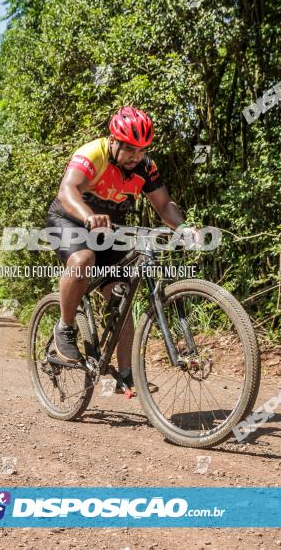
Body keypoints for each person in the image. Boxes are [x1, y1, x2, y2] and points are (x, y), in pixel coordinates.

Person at [45, 106, 201, 393]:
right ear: (113, 140)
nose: (136, 156)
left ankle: (125, 376)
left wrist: (182, 228)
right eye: (129, 149)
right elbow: (67, 191)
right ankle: (65, 327)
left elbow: (164, 204)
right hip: (68, 218)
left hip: (109, 228)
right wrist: (87, 215)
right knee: (83, 260)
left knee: (121, 295)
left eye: (142, 150)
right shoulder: (92, 154)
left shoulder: (145, 167)